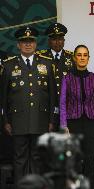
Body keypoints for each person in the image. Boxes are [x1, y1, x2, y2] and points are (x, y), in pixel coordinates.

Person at [1, 26, 56, 182]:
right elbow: (3, 98)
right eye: (24, 41)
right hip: (17, 122)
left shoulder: (46, 64)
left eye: (31, 41)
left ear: (36, 43)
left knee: (38, 158)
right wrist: (6, 121)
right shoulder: (8, 65)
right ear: (18, 44)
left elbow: (53, 96)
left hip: (41, 120)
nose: (27, 44)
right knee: (20, 159)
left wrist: (52, 119)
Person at [60, 44, 94, 186]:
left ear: (88, 58)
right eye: (79, 55)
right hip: (73, 123)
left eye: (85, 55)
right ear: (74, 58)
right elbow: (62, 103)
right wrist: (63, 125)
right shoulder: (67, 78)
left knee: (90, 159)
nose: (82, 57)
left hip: (92, 123)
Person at [38, 22, 74, 129]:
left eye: (60, 39)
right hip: (47, 109)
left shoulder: (72, 57)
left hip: (68, 108)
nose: (57, 42)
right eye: (54, 39)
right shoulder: (40, 57)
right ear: (49, 41)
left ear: (64, 40)